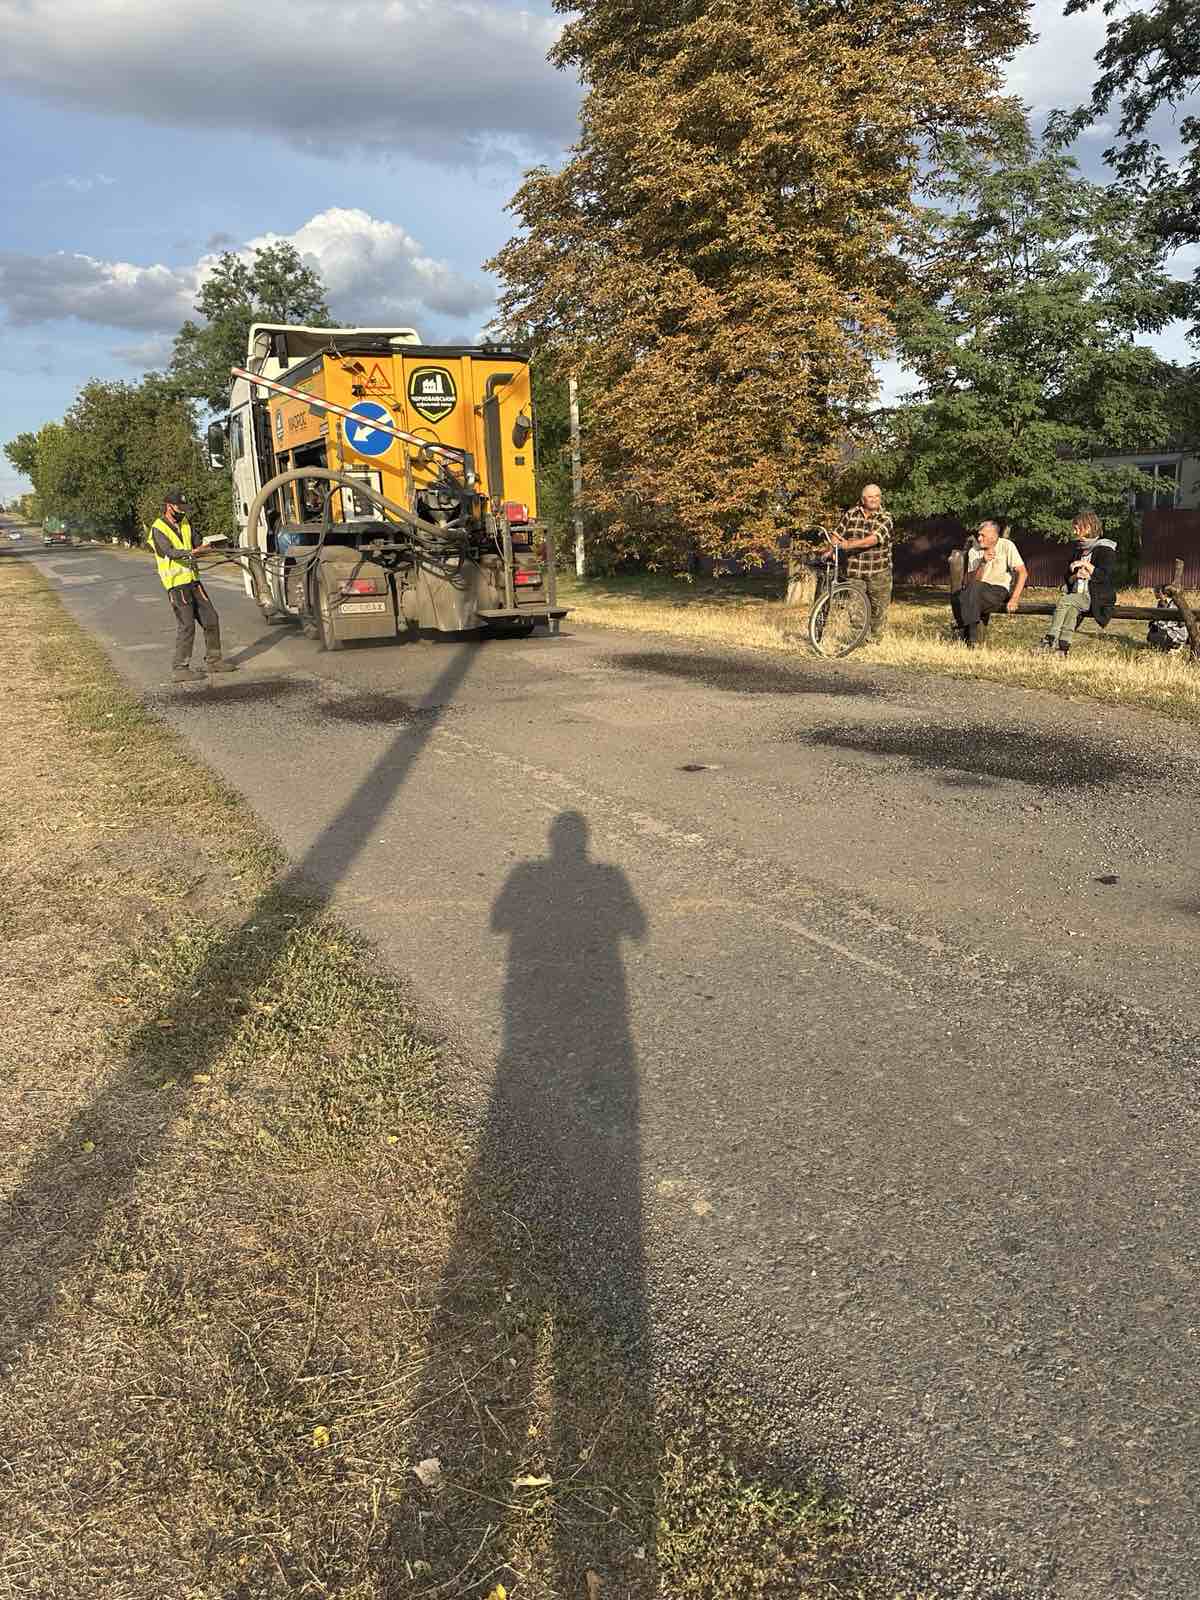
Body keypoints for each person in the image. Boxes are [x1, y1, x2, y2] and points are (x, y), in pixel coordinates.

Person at [147, 490, 235, 682]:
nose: (182, 511)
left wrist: (210, 546)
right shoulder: (158, 528)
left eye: (184, 508)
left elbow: (198, 543)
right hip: (177, 585)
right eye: (179, 507)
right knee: (187, 626)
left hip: (193, 581)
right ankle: (180, 668)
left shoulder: (186, 523)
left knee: (211, 618)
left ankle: (214, 661)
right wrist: (193, 552)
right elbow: (170, 552)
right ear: (169, 506)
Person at [1035, 511, 1117, 657]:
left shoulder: (1106, 549)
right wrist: (1075, 576)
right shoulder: (1077, 549)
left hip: (1095, 597)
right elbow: (1068, 578)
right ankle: (1063, 648)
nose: (1074, 532)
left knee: (1064, 601)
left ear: (1088, 528)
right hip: (1077, 594)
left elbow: (1105, 576)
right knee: (1071, 612)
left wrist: (1086, 566)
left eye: (1077, 528)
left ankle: (1050, 638)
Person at [829, 483, 895, 642]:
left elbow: (872, 540)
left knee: (878, 611)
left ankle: (875, 640)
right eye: (870, 497)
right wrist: (832, 549)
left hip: (878, 572)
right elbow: (837, 534)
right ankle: (858, 642)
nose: (874, 499)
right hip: (855, 571)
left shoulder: (886, 518)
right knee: (856, 610)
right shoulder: (851, 514)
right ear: (863, 499)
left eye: (877, 496)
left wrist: (849, 545)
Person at [951, 519, 1027, 646]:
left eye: (983, 535)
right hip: (977, 592)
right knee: (967, 592)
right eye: (978, 535)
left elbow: (1023, 573)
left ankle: (968, 635)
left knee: (967, 596)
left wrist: (1014, 599)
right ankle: (972, 638)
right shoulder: (974, 551)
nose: (979, 538)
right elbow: (971, 581)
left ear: (993, 536)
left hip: (998, 590)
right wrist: (982, 562)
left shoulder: (1007, 546)